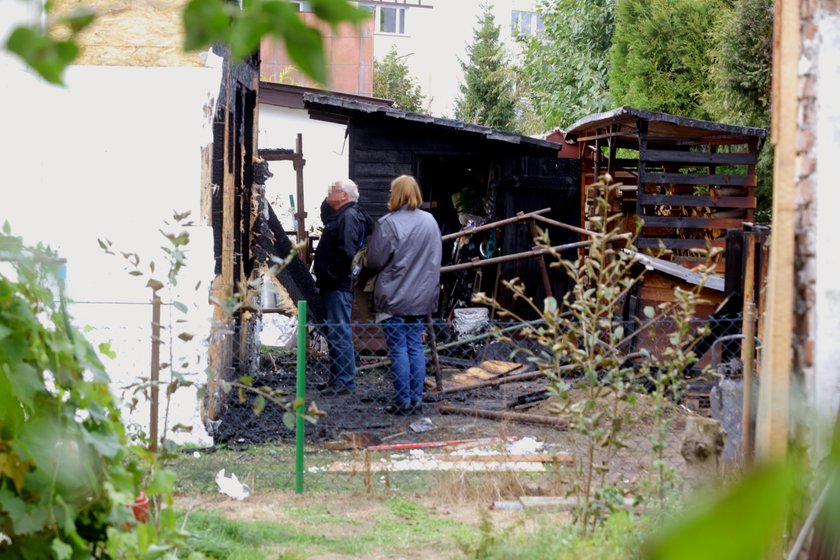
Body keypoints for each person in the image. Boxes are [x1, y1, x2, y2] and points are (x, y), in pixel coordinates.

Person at [366, 175, 442, 415]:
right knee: (415, 348)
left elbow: (374, 261)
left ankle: (403, 401)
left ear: (396, 194)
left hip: (394, 297)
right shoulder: (430, 221)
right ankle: (416, 399)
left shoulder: (388, 223)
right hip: (421, 298)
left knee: (398, 349)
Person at [313, 178, 374, 397]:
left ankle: (345, 382)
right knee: (334, 331)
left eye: (334, 190)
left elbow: (347, 253)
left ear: (345, 196)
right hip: (333, 282)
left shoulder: (349, 217)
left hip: (337, 283)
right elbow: (324, 213)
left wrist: (330, 271)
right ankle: (336, 379)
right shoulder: (340, 215)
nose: (329, 192)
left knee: (339, 331)